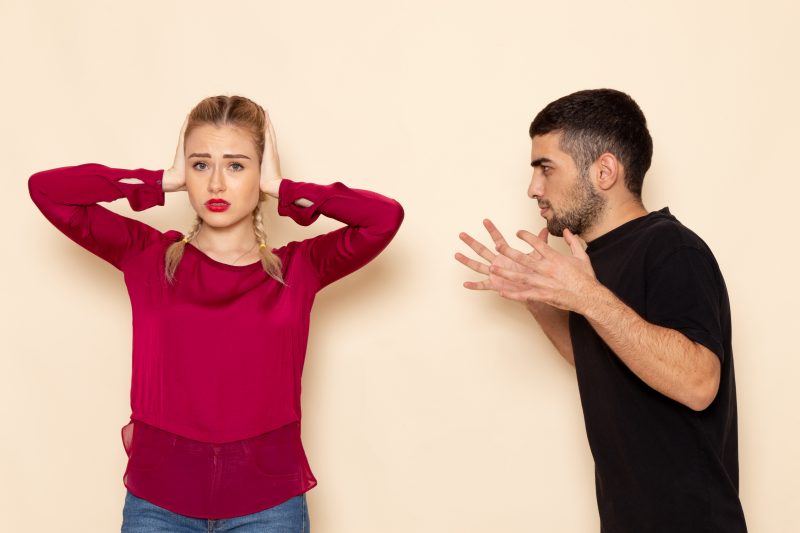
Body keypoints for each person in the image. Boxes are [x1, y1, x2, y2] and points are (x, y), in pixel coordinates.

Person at [29, 95, 404, 532]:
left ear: (261, 172)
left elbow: (384, 218)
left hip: (269, 506)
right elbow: (47, 190)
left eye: (237, 165)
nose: (216, 185)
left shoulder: (299, 268)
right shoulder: (146, 256)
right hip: (158, 504)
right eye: (201, 165)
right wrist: (162, 180)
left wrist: (284, 188)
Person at [456, 89, 747, 532]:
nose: (533, 188)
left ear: (605, 170)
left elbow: (698, 382)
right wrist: (538, 299)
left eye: (545, 167)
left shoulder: (672, 247)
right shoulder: (593, 262)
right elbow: (600, 363)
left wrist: (584, 295)